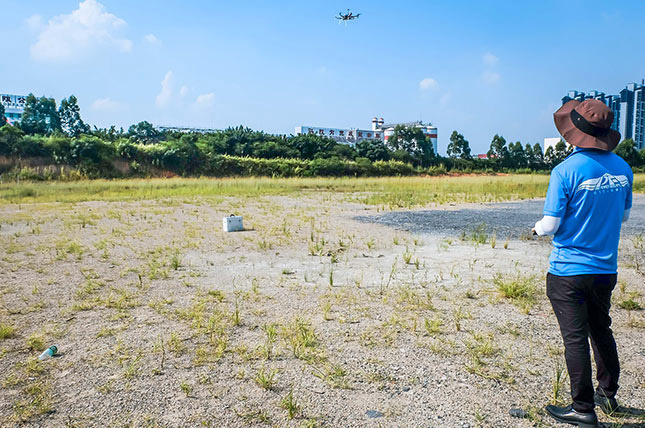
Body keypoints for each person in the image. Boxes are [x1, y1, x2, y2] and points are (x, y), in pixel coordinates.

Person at [532, 99, 633, 428]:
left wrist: (535, 230)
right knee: (601, 330)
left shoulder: (565, 171)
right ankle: (608, 394)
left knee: (575, 338)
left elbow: (551, 225)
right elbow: (625, 216)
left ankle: (582, 408)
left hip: (569, 271)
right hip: (606, 270)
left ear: (573, 134)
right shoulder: (623, 169)